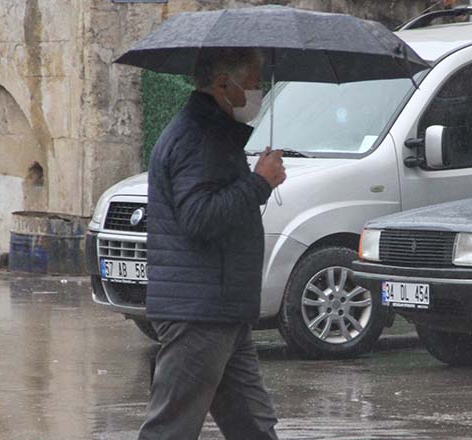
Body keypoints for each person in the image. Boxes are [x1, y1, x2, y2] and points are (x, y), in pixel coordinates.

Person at [138, 47, 285, 440]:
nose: (258, 93)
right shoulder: (199, 137)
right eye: (254, 84)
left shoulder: (213, 132)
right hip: (199, 312)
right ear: (224, 85)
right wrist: (259, 183)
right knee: (171, 427)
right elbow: (199, 217)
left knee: (252, 424)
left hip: (221, 309)